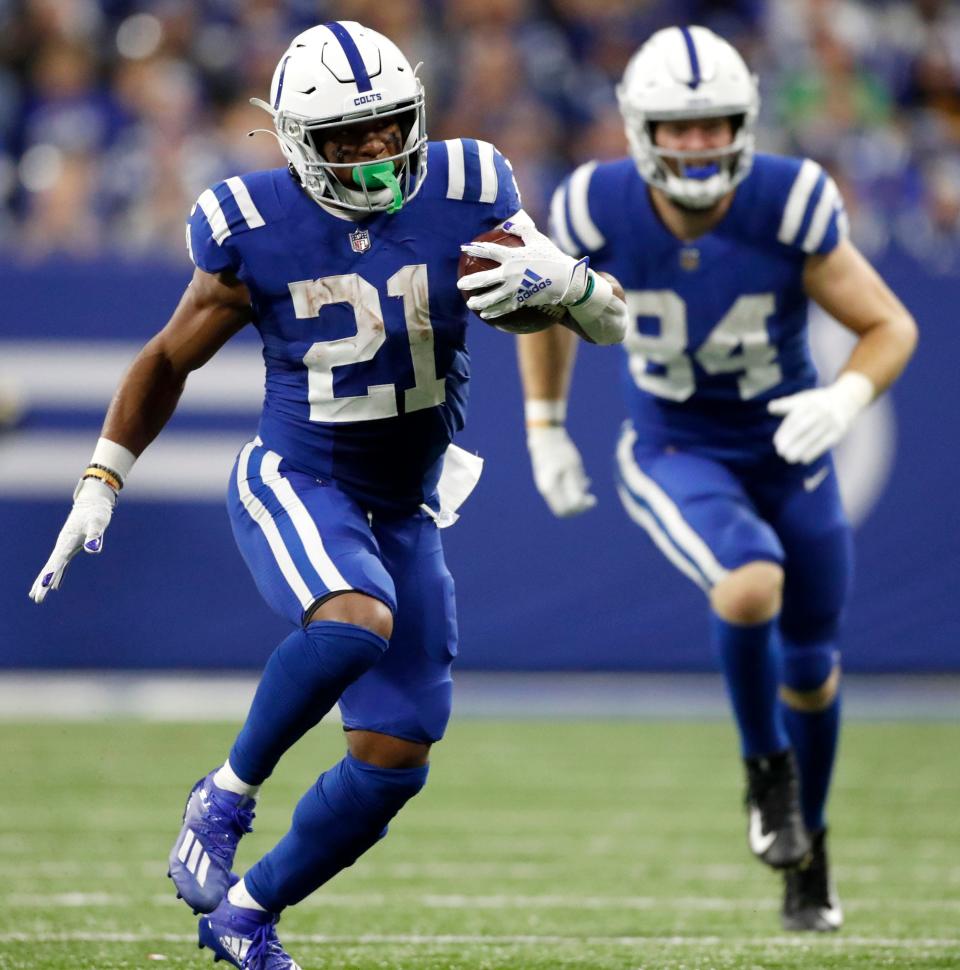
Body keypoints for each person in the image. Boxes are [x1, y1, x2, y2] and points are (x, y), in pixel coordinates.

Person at [29, 21, 628, 970]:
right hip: (299, 475)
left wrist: (575, 285)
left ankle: (245, 917)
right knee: (355, 620)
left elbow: (602, 320)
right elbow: (168, 356)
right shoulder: (251, 222)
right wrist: (103, 475)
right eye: (347, 138)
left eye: (388, 128)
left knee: (395, 759)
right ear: (298, 140)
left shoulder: (473, 187)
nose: (376, 153)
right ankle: (223, 793)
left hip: (406, 502)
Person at [518, 25, 917, 933]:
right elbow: (543, 311)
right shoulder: (592, 206)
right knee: (749, 584)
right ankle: (763, 772)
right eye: (679, 127)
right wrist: (544, 427)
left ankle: (807, 847)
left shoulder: (788, 199)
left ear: (745, 122)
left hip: (788, 446)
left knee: (813, 668)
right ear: (638, 129)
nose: (698, 144)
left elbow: (889, 325)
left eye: (716, 125)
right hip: (675, 445)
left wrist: (845, 400)